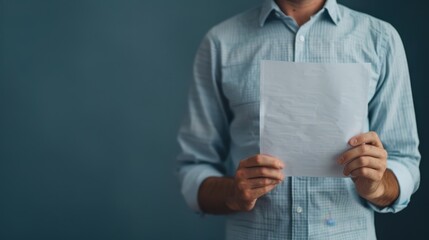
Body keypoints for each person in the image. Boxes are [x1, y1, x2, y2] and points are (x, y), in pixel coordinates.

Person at [177, 0, 421, 239]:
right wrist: (233, 193)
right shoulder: (220, 43)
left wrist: (377, 187)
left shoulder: (381, 39)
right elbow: (194, 168)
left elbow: (405, 162)